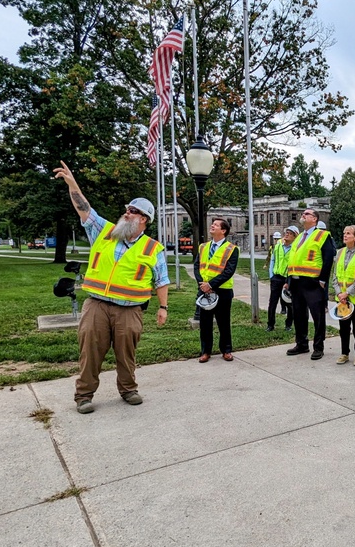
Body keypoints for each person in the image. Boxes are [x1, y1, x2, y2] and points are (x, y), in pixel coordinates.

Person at [53, 161, 169, 414]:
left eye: (134, 211)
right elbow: (84, 209)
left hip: (130, 310)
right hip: (97, 305)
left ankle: (128, 389)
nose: (127, 213)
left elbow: (161, 279)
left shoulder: (152, 248)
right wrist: (73, 184)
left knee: (126, 354)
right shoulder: (104, 231)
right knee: (90, 350)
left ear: (144, 220)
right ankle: (84, 395)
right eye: (127, 209)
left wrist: (163, 307)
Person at [285, 208, 336, 360]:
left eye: (307, 214)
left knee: (318, 316)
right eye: (303, 214)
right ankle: (301, 344)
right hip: (296, 282)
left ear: (314, 219)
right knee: (299, 315)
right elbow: (293, 259)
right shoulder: (300, 236)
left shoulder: (322, 235)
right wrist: (288, 281)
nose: (303, 215)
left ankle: (318, 347)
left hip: (313, 282)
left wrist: (322, 280)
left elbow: (328, 259)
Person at [196, 218, 238, 363]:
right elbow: (197, 266)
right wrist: (202, 284)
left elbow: (229, 271)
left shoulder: (232, 249)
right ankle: (205, 351)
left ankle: (226, 350)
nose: (212, 226)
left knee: (223, 322)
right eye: (212, 224)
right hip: (204, 290)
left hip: (223, 291)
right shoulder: (203, 247)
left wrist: (211, 285)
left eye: (215, 225)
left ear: (223, 230)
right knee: (205, 323)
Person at [330, 225, 355, 366]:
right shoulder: (339, 252)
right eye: (344, 233)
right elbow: (335, 276)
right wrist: (339, 292)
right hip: (342, 299)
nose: (345, 235)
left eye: (348, 233)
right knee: (344, 327)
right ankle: (344, 353)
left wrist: (348, 292)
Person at [266, 227, 297, 331]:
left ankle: (288, 325)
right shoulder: (278, 246)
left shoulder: (295, 249)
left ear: (294, 237)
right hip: (276, 278)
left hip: (287, 279)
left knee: (289, 303)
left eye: (290, 233)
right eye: (286, 233)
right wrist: (271, 275)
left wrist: (289, 281)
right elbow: (273, 260)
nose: (286, 234)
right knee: (272, 303)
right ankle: (270, 325)